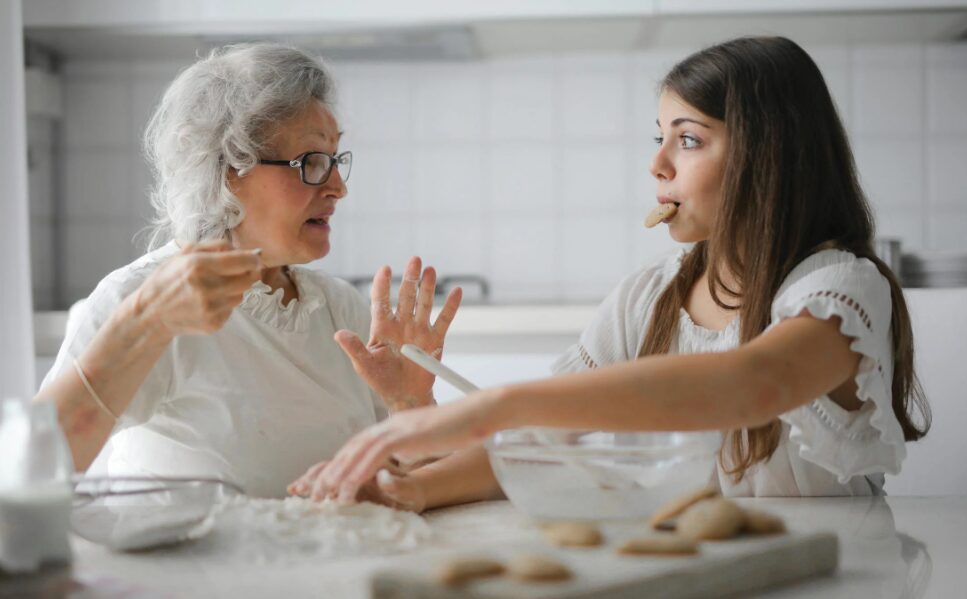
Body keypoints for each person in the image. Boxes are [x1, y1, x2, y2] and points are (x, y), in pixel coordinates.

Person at [291, 36, 932, 508]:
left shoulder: (840, 289)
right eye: (659, 136)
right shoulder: (647, 298)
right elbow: (547, 441)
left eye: (688, 138)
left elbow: (755, 383)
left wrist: (499, 402)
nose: (657, 164)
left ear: (768, 156)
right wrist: (414, 487)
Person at [34, 43, 460, 498]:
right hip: (193, 569)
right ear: (226, 170)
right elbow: (32, 468)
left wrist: (411, 405)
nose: (338, 187)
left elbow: (406, 484)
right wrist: (144, 322)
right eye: (311, 162)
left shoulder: (338, 308)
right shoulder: (141, 296)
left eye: (336, 160)